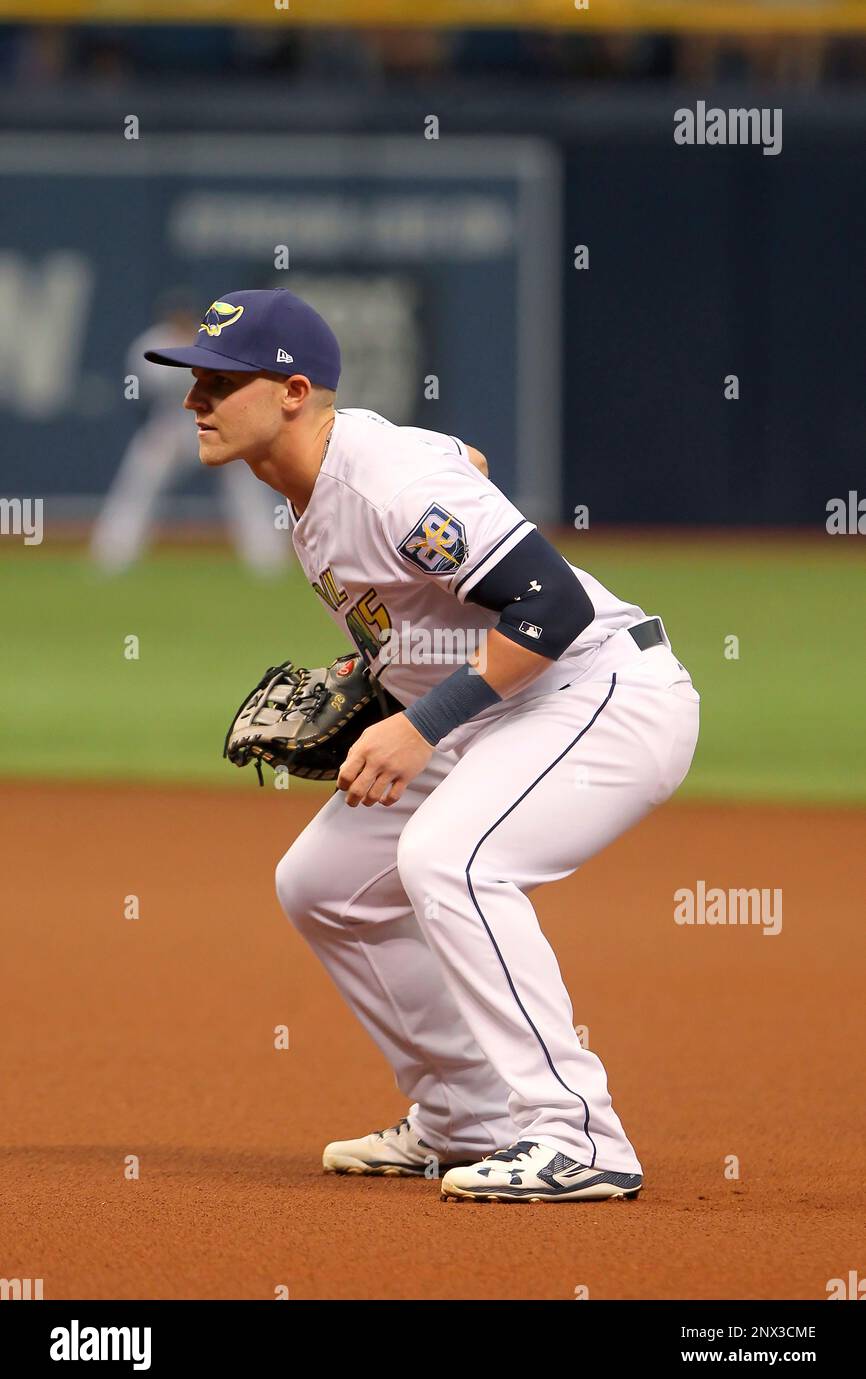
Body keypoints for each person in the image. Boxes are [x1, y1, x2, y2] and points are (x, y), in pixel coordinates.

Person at [144, 288, 700, 1204]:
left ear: (291, 392)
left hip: (601, 688)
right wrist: (391, 691)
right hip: (500, 706)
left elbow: (551, 606)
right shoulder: (320, 481)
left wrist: (417, 722)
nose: (195, 400)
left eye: (219, 380)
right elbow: (464, 465)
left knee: (452, 858)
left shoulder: (385, 481)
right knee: (321, 886)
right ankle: (464, 1116)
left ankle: (580, 1134)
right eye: (195, 380)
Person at [90, 297, 289, 575]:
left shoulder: (217, 342)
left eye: (187, 316)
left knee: (248, 486)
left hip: (218, 422)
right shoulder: (152, 343)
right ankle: (114, 553)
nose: (182, 322)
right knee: (139, 482)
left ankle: (267, 559)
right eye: (177, 317)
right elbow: (145, 387)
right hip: (171, 423)